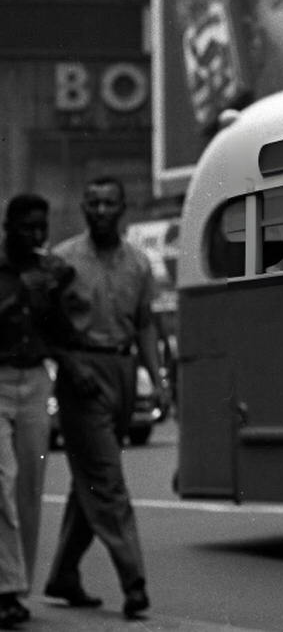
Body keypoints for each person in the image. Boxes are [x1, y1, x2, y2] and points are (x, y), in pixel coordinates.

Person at [45, 178, 171, 621]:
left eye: (108, 203)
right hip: (82, 376)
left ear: (123, 208)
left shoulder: (138, 262)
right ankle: (133, 582)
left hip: (121, 371)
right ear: (82, 206)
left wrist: (157, 381)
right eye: (93, 202)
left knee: (92, 480)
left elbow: (145, 327)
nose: (100, 210)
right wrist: (67, 363)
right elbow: (45, 323)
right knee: (108, 481)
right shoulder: (62, 260)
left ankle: (62, 575)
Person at [0, 195, 80, 629]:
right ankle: (6, 589)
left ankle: (16, 588)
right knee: (1, 482)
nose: (34, 235)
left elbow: (60, 328)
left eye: (40, 227)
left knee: (30, 487)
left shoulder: (49, 270)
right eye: (26, 227)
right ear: (8, 227)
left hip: (35, 381)